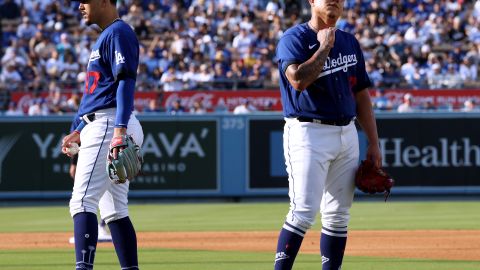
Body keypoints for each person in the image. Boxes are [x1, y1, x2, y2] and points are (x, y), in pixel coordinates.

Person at [274, 1, 382, 269]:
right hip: (308, 132)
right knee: (303, 212)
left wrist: (374, 143)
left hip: (347, 132)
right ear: (312, 1)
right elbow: (298, 80)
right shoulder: (294, 39)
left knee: (337, 216)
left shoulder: (349, 41)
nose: (334, 0)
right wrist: (324, 47)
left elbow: (361, 95)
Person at [60, 1, 143, 269]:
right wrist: (78, 129)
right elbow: (98, 93)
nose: (80, 6)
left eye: (85, 0)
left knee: (82, 201)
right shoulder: (106, 35)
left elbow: (125, 81)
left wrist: (118, 130)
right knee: (115, 211)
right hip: (105, 121)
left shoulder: (118, 32)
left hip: (111, 122)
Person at [67, 150, 112, 244]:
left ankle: (96, 227)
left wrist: (73, 164)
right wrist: (74, 163)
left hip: (94, 159)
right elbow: (76, 143)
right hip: (92, 158)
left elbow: (76, 141)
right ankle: (95, 227)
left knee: (82, 202)